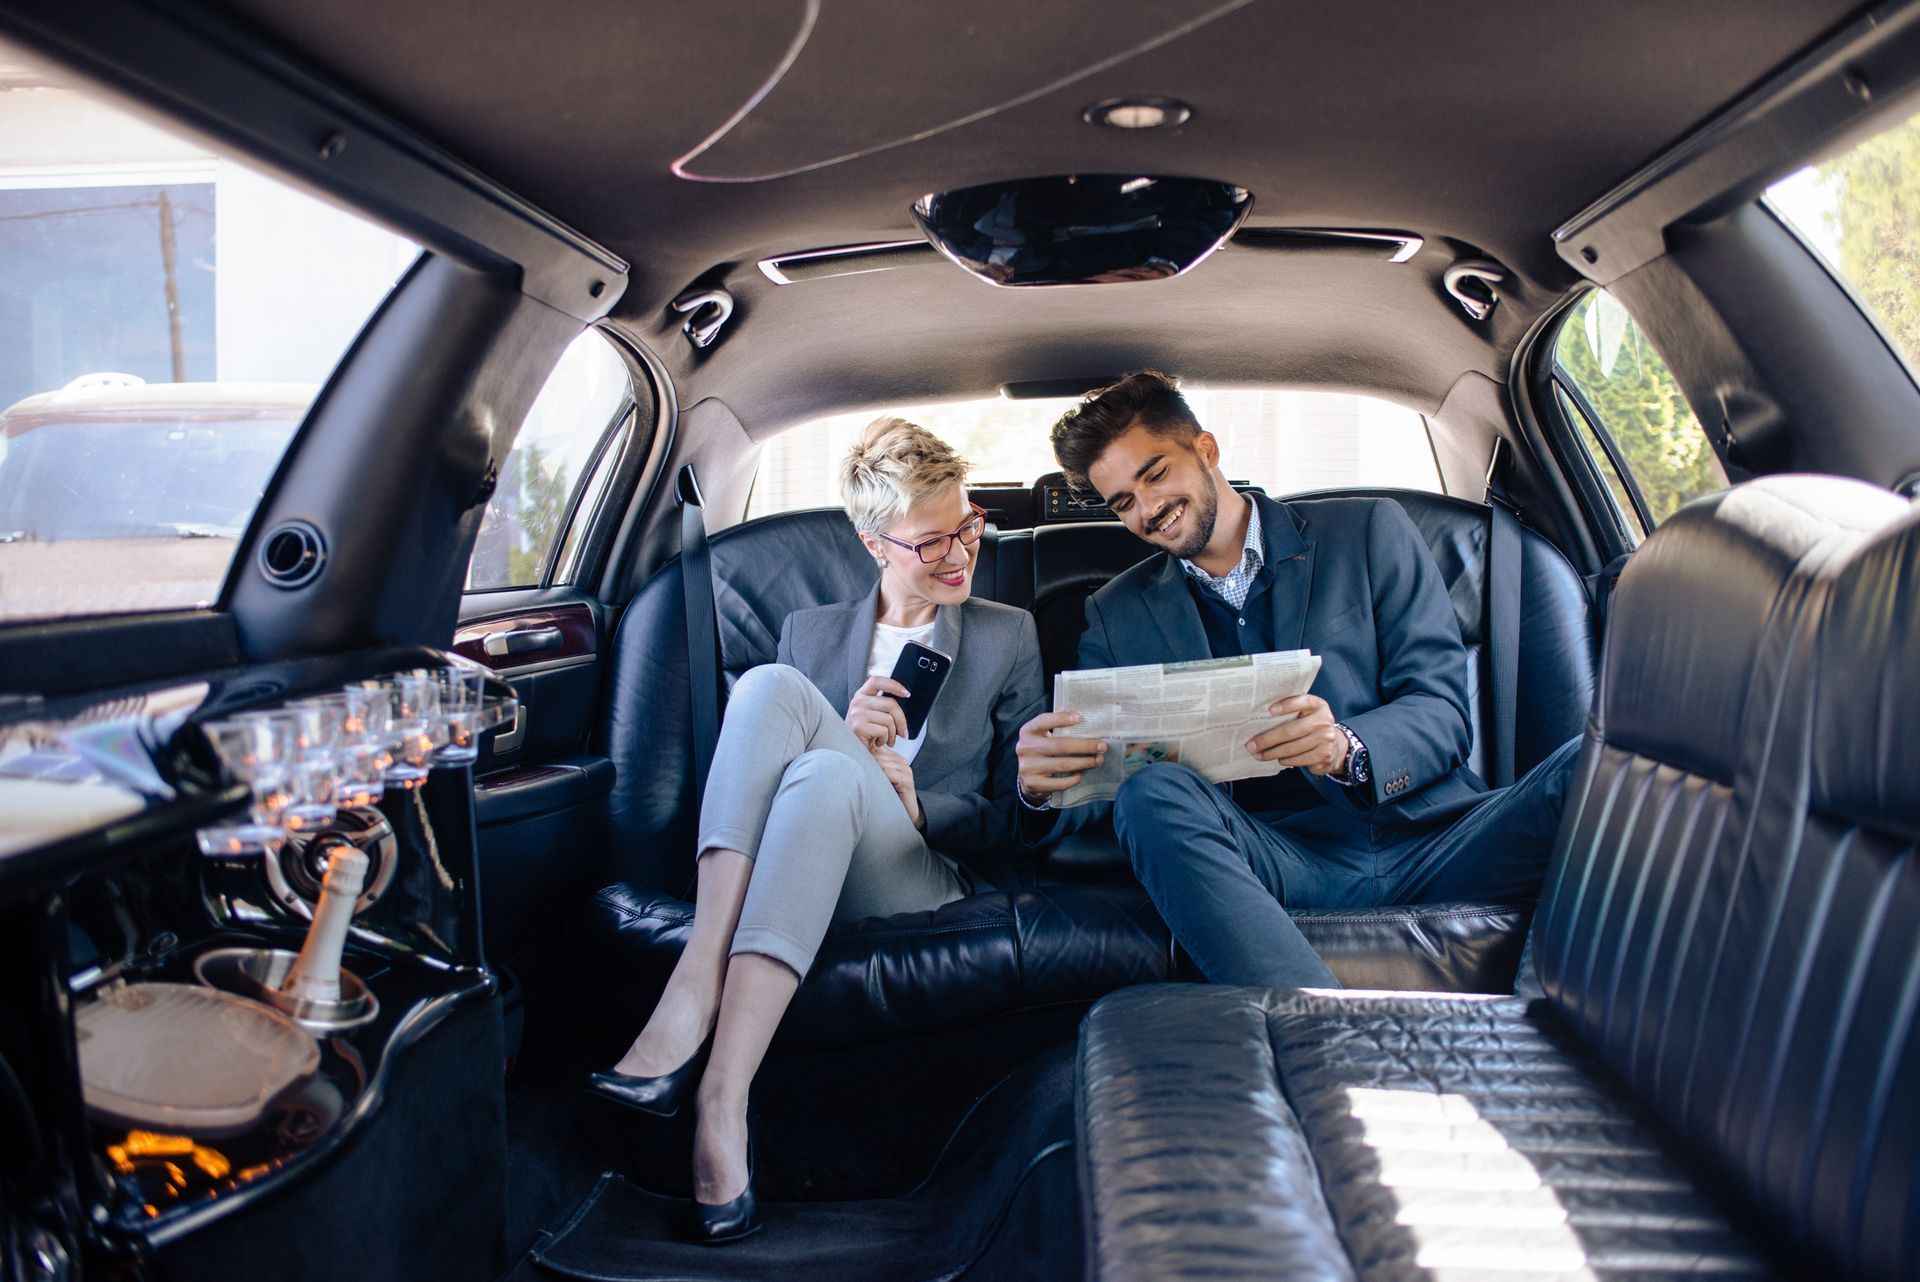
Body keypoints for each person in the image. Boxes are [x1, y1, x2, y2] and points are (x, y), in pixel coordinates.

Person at [590, 417, 1043, 1244]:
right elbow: (786, 778)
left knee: (774, 695)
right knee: (824, 764)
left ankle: (693, 990)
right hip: (806, 859)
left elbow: (1022, 816)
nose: (958, 554)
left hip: (921, 874)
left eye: (968, 526)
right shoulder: (811, 631)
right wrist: (839, 727)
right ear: (875, 545)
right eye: (930, 541)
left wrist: (915, 807)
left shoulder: (1006, 635)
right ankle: (721, 1108)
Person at [1015, 371, 1581, 989]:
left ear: (1206, 450)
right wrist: (1041, 790)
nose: (1148, 509)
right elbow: (1100, 785)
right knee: (1151, 795)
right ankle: (1321, 1032)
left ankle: (1593, 1026)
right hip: (1272, 864)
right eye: (1123, 502)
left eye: (1155, 475)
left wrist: (1345, 748)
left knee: (1599, 758)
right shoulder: (1116, 613)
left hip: (1434, 838)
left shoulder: (1368, 534)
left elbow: (1443, 712)